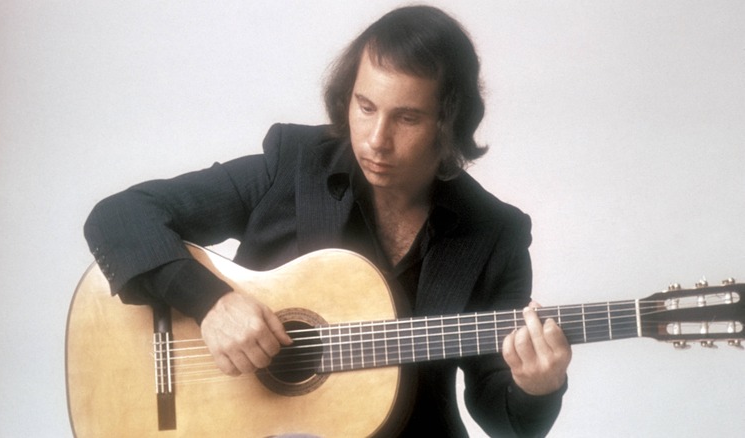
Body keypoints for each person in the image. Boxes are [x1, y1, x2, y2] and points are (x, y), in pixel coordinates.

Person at [84, 5, 571, 437]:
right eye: (365, 107)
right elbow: (119, 218)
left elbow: (503, 419)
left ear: (449, 124)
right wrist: (210, 302)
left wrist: (538, 388)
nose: (375, 139)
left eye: (407, 118)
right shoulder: (292, 167)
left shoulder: (494, 233)